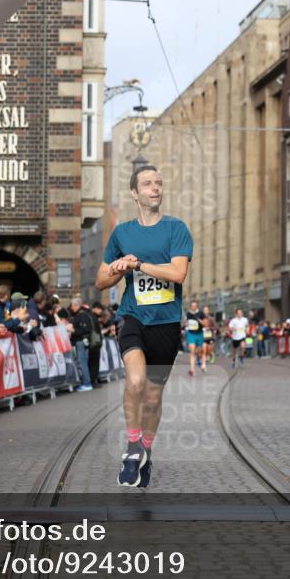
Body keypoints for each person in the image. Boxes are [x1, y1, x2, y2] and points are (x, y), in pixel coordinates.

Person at [94, 163, 193, 488]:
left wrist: (139, 264)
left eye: (159, 183)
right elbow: (100, 282)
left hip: (166, 323)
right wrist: (120, 269)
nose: (155, 188)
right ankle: (133, 447)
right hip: (132, 316)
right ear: (134, 193)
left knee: (152, 397)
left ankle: (147, 450)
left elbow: (178, 274)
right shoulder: (122, 233)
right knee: (135, 381)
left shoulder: (176, 229)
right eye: (148, 183)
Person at [66, 297, 95, 391]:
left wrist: (73, 330)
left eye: (72, 305)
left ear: (77, 305)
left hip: (81, 341)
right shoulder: (82, 314)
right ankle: (86, 382)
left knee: (82, 362)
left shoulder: (82, 315)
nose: (71, 307)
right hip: (82, 341)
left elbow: (85, 329)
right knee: (83, 362)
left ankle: (87, 383)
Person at [184, 300, 206, 376]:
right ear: (190, 306)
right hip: (191, 334)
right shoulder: (188, 313)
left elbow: (205, 324)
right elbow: (186, 323)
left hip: (199, 334)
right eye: (192, 306)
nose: (193, 307)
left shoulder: (201, 313)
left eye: (195, 306)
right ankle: (192, 370)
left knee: (200, 351)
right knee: (192, 350)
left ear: (197, 306)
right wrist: (186, 323)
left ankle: (199, 359)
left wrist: (198, 319)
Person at [88, 302, 105, 385]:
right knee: (94, 362)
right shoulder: (93, 318)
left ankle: (93, 379)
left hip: (93, 342)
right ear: (94, 308)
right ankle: (93, 380)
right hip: (95, 342)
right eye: (99, 309)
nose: (100, 311)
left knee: (93, 362)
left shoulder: (91, 317)